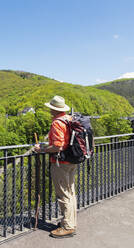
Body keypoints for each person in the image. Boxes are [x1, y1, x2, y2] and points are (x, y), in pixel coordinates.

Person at [34, 95, 77, 238]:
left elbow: (58, 146)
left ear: (53, 109)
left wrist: (42, 150)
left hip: (61, 163)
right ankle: (70, 222)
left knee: (63, 194)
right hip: (72, 161)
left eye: (51, 108)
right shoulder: (69, 119)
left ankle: (67, 227)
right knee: (70, 193)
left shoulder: (57, 123)